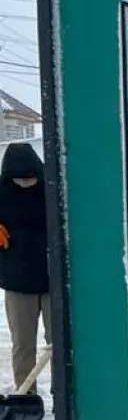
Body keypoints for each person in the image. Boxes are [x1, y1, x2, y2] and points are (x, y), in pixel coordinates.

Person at [0, 141, 50, 393]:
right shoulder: (1, 194)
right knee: (23, 344)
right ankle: (25, 395)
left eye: (30, 178)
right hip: (18, 283)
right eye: (20, 179)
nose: (26, 183)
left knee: (60, 344)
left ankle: (65, 396)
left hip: (53, 282)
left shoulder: (50, 191)